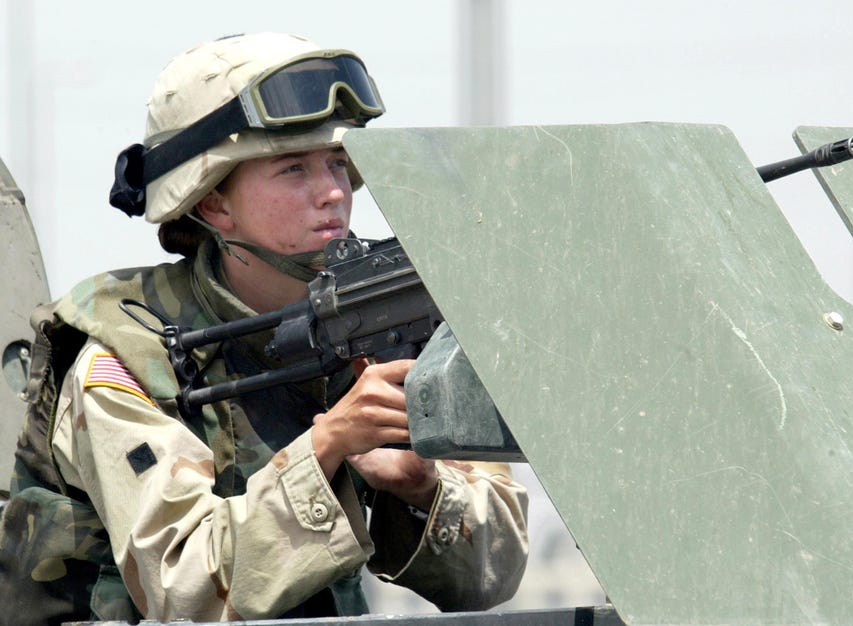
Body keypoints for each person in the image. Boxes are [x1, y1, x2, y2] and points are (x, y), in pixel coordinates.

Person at [0, 32, 528, 623]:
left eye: (338, 163)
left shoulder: (387, 319)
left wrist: (421, 488)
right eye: (293, 169)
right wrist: (327, 447)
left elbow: (496, 573)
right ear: (213, 203)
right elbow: (184, 589)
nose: (334, 192)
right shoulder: (127, 352)